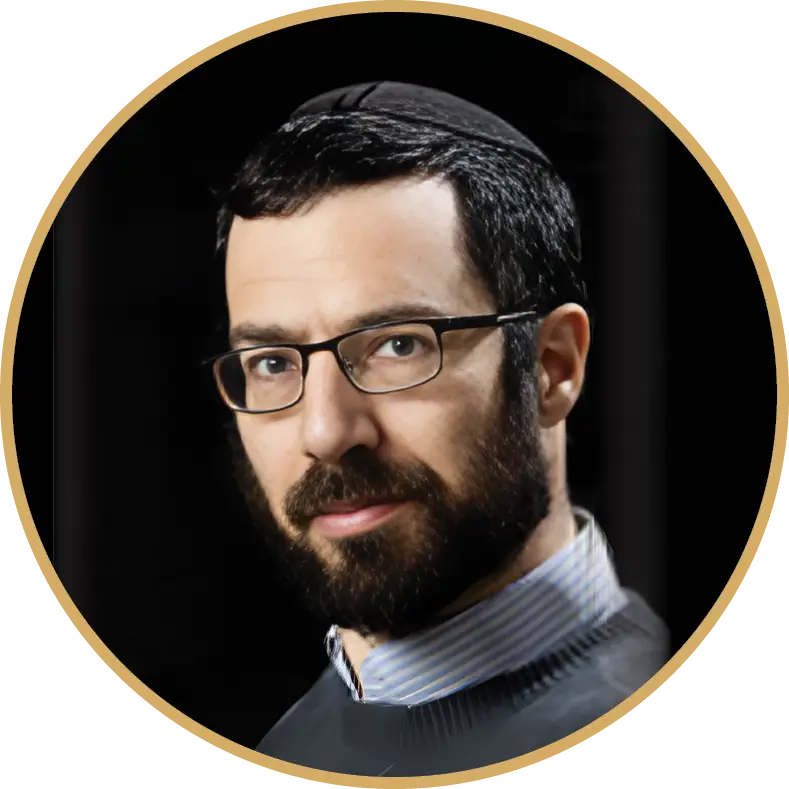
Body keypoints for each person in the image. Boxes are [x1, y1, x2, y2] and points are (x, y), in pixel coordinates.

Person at [210, 81, 669, 777]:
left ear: (551, 368)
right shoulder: (280, 750)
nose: (326, 432)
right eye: (272, 362)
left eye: (399, 345)